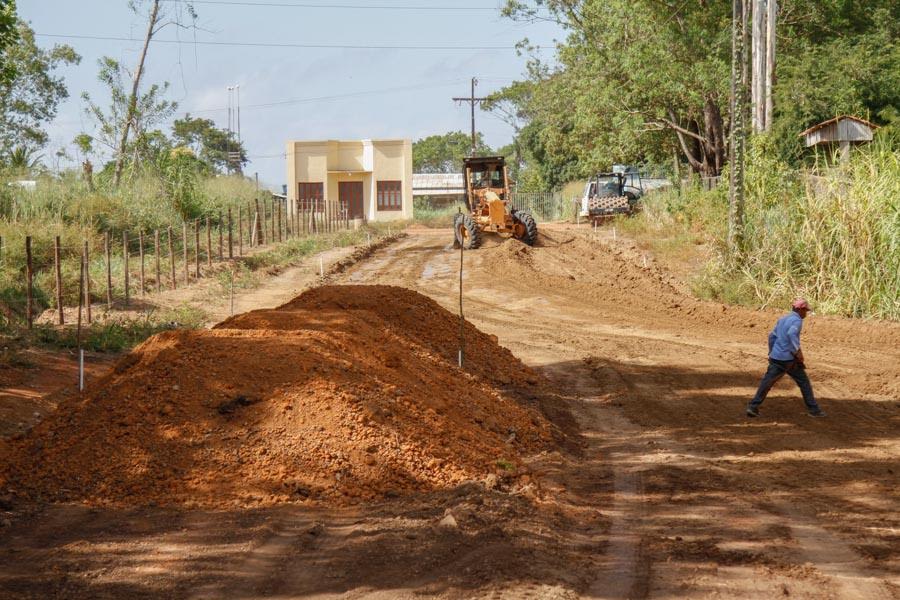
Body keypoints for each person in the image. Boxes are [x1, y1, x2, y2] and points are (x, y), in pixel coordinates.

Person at [746, 298, 826, 418]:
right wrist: (797, 352)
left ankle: (753, 406)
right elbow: (791, 334)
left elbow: (772, 336)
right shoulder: (797, 321)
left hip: (776, 357)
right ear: (800, 310)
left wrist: (772, 351)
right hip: (788, 359)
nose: (806, 313)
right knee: (804, 382)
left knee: (767, 382)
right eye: (805, 310)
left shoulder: (783, 319)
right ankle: (814, 410)